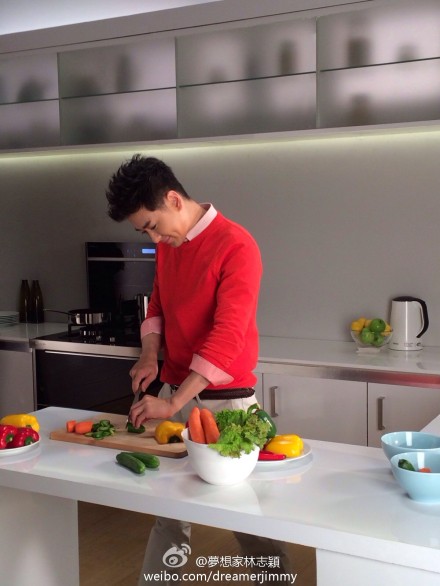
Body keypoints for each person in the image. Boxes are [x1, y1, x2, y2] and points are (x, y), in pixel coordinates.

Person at [106, 154, 293, 586]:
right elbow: (157, 304)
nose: (153, 238)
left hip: (229, 405)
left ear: (173, 199)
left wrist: (172, 401)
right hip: (175, 395)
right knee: (169, 512)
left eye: (152, 226)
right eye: (144, 231)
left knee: (249, 516)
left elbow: (227, 338)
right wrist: (149, 355)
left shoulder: (236, 245)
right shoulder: (169, 245)